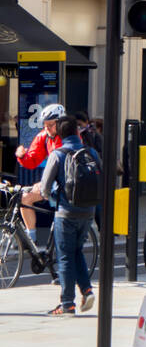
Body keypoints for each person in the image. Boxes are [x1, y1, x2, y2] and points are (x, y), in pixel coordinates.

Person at [33, 115, 99, 316]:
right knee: (76, 251)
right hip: (88, 212)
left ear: (60, 135)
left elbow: (44, 189)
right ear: (77, 132)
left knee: (65, 257)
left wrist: (53, 195)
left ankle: (67, 303)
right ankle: (87, 290)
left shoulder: (58, 154)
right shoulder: (92, 153)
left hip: (66, 212)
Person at [15, 102, 65, 237]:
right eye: (45, 125)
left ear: (60, 123)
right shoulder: (44, 136)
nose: (47, 128)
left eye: (50, 125)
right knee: (25, 198)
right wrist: (22, 156)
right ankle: (31, 239)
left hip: (68, 182)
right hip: (54, 182)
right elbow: (32, 160)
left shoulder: (70, 137)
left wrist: (46, 182)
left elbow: (66, 166)